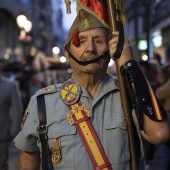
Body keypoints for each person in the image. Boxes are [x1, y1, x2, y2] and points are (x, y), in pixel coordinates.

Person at [14, 8, 170, 170]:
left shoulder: (129, 94)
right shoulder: (42, 102)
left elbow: (160, 134)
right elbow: (27, 161)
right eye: (80, 41)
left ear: (110, 52)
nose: (90, 48)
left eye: (98, 41)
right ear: (67, 53)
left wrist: (129, 65)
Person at [0, 52, 22, 170]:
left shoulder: (10, 85)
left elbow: (17, 108)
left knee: (2, 162)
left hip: (2, 131)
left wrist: (14, 129)